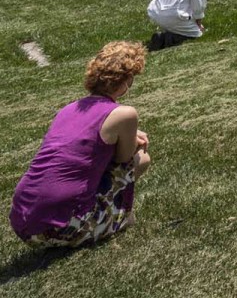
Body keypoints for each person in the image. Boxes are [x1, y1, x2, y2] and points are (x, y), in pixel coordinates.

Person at [8, 41, 151, 247]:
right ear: (126, 81)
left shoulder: (69, 109)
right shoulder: (125, 113)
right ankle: (118, 217)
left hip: (22, 222)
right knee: (142, 158)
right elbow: (123, 159)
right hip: (59, 228)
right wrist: (129, 136)